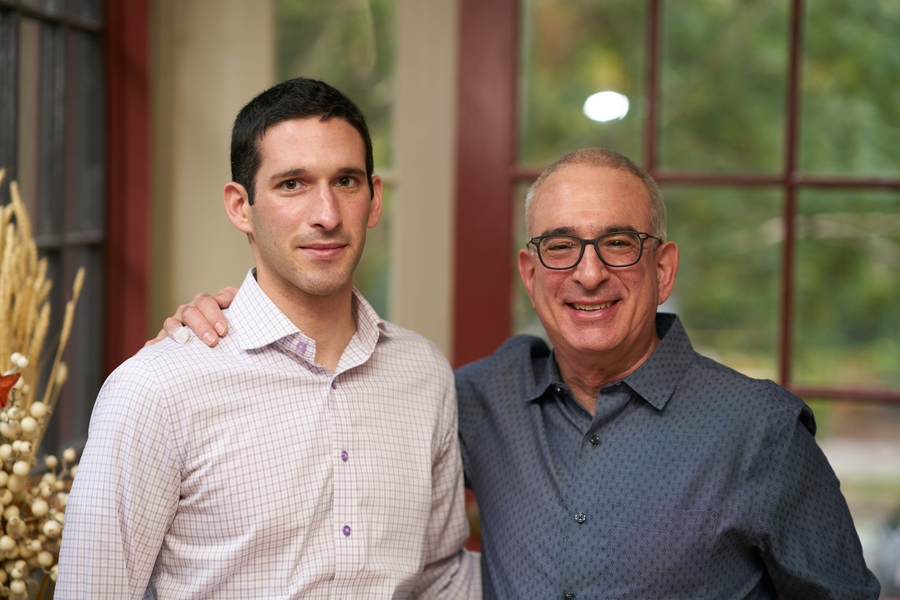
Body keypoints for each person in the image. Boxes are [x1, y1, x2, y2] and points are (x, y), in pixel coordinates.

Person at [159, 148, 881, 599]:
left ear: (662, 269)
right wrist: (232, 316)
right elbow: (348, 412)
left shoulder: (759, 434)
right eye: (562, 248)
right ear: (532, 277)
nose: (589, 274)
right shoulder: (474, 398)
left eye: (618, 244)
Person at [58, 78, 479, 598]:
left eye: (346, 182)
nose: (326, 215)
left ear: (373, 200)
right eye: (292, 185)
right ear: (240, 206)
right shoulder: (156, 389)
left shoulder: (423, 373)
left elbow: (440, 579)